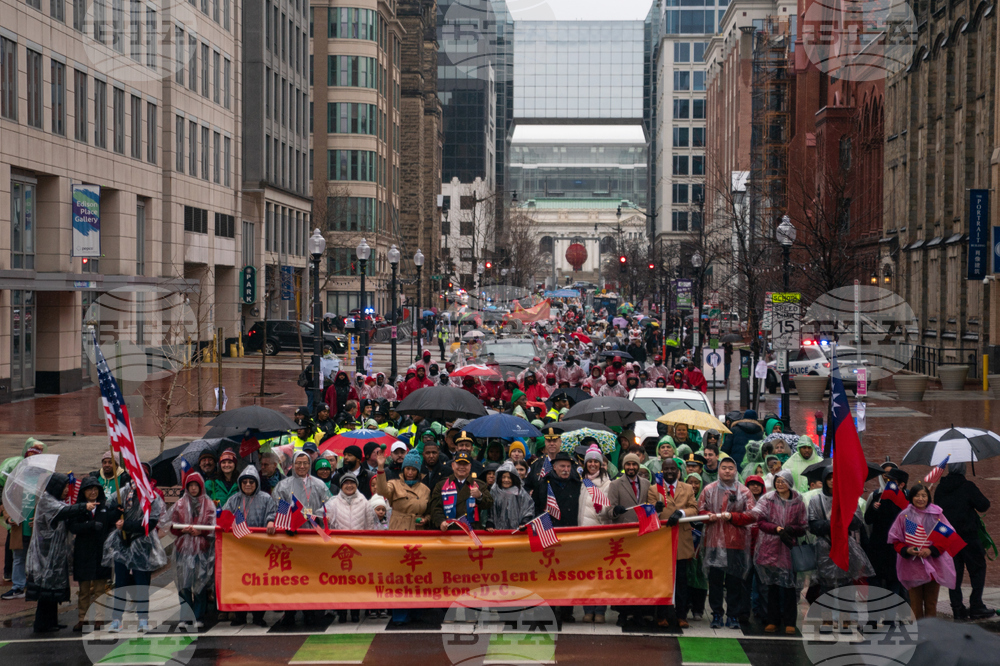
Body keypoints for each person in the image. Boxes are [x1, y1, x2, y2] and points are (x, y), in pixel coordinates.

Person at [25, 473, 94, 633]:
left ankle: (52, 621)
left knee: (51, 590)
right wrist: (84, 506)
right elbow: (64, 512)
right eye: (63, 487)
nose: (66, 490)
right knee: (45, 592)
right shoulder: (47, 501)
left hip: (53, 555)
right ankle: (42, 623)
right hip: (44, 556)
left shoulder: (54, 501)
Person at [807, 469, 874, 621]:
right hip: (824, 547)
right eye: (829, 478)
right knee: (826, 586)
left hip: (845, 545)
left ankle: (846, 619)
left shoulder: (848, 499)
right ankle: (827, 619)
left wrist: (842, 520)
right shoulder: (815, 500)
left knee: (846, 585)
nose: (832, 481)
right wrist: (834, 524)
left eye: (835, 478)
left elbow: (857, 522)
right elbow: (813, 525)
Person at [698, 457, 756, 630]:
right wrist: (709, 515)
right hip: (714, 542)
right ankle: (716, 613)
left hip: (736, 543)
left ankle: (733, 615)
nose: (727, 471)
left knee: (735, 581)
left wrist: (733, 517)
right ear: (719, 469)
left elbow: (752, 514)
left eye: (731, 468)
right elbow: (700, 509)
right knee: (715, 581)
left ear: (736, 470)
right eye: (724, 468)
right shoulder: (708, 490)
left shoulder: (744, 492)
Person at [103, 477, 168, 632]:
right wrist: (116, 513)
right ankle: (116, 619)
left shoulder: (152, 497)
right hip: (122, 545)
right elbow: (107, 513)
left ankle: (143, 619)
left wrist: (128, 525)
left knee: (141, 585)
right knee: (120, 583)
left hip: (142, 545)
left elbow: (150, 523)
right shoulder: (122, 493)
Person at [888, 484, 957, 620]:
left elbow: (946, 536)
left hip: (934, 567)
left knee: (931, 604)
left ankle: (931, 635)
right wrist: (907, 550)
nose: (920, 499)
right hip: (911, 567)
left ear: (928, 497)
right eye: (917, 495)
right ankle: (918, 636)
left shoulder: (937, 515)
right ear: (911, 497)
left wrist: (931, 550)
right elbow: (896, 540)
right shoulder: (904, 516)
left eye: (924, 495)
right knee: (915, 605)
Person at [934, 462, 994, 620]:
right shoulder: (967, 486)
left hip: (949, 536)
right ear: (963, 469)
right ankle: (976, 606)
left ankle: (957, 609)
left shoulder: (940, 488)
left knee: (954, 573)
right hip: (969, 536)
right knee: (978, 569)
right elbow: (984, 505)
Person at [751, 470, 807, 634]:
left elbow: (803, 526)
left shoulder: (798, 502)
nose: (780, 484)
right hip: (770, 548)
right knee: (772, 586)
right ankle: (772, 620)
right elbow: (760, 522)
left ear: (790, 482)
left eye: (783, 481)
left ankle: (789, 621)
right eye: (777, 481)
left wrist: (790, 529)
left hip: (789, 549)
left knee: (789, 587)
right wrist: (776, 529)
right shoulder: (767, 499)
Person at [222, 466, 277, 626]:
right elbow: (225, 516)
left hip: (259, 549)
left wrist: (270, 521)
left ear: (256, 483)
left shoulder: (266, 498)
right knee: (240, 583)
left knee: (258, 583)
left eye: (251, 482)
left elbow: (271, 513)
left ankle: (258, 617)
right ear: (240, 483)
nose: (247, 484)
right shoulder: (233, 499)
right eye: (244, 482)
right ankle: (240, 616)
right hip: (238, 549)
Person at [647, 459, 698, 628]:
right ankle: (662, 615)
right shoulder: (654, 489)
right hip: (662, 540)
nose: (669, 471)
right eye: (666, 469)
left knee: (682, 580)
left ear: (678, 471)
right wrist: (657, 508)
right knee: (663, 580)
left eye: (672, 468)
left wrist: (681, 512)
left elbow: (694, 508)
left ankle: (681, 615)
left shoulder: (688, 488)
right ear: (662, 471)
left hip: (681, 540)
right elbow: (650, 511)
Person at [165, 472, 216, 629]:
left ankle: (198, 615)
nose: (193, 489)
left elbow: (213, 527)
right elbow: (171, 526)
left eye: (196, 485)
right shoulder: (179, 504)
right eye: (190, 486)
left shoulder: (208, 505)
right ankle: (185, 616)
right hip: (183, 550)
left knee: (199, 583)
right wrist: (183, 531)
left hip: (201, 550)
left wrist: (201, 532)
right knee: (184, 585)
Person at [324, 473, 376, 623]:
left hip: (359, 550)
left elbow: (370, 526)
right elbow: (328, 524)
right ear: (341, 486)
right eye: (345, 483)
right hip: (340, 549)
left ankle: (355, 612)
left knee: (357, 582)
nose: (349, 486)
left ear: (356, 485)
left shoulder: (364, 502)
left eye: (352, 483)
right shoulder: (333, 502)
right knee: (341, 583)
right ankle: (342, 612)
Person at [68, 476, 114, 631]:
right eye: (89, 489)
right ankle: (83, 618)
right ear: (84, 492)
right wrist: (90, 525)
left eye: (96, 489)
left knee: (101, 589)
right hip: (83, 552)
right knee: (84, 590)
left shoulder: (105, 507)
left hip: (101, 552)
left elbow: (111, 524)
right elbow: (73, 527)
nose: (93, 492)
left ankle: (99, 619)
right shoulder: (78, 508)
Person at [864, 468, 909, 599]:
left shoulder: (907, 501)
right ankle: (872, 618)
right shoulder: (879, 496)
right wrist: (873, 508)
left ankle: (890, 619)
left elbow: (912, 528)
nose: (888, 483)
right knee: (874, 586)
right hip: (877, 548)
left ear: (901, 484)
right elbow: (867, 520)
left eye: (892, 481)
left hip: (895, 550)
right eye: (888, 480)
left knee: (893, 586)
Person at [429, 451, 493, 530]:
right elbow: (435, 508)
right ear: (453, 465)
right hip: (449, 532)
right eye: (459, 464)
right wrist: (441, 522)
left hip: (471, 532)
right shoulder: (441, 485)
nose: (462, 467)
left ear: (470, 466)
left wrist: (479, 496)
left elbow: (489, 504)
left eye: (465, 464)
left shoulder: (479, 485)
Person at [375, 449, 431, 530]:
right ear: (403, 469)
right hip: (398, 529)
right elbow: (381, 491)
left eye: (414, 469)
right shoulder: (394, 484)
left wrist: (425, 520)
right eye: (407, 469)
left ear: (418, 471)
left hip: (417, 531)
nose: (410, 473)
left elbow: (429, 513)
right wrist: (380, 467)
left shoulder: (425, 490)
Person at [273, 451, 333, 526]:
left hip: (315, 531)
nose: (302, 466)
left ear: (309, 465)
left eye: (305, 463)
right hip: (291, 531)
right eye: (298, 463)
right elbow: (277, 507)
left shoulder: (319, 484)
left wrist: (321, 515)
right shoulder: (283, 486)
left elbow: (329, 504)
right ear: (293, 465)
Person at [609, 453, 653, 525]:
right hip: (624, 529)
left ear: (638, 466)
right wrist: (615, 511)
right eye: (628, 464)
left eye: (634, 464)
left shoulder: (646, 484)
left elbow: (650, 505)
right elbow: (609, 512)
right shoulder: (615, 485)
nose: (631, 467)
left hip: (643, 526)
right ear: (624, 466)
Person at [490, 461, 535, 531]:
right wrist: (490, 523)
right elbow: (490, 511)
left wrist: (524, 522)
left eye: (509, 477)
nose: (506, 480)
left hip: (517, 533)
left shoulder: (521, 493)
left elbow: (528, 509)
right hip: (497, 533)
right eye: (504, 477)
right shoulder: (494, 491)